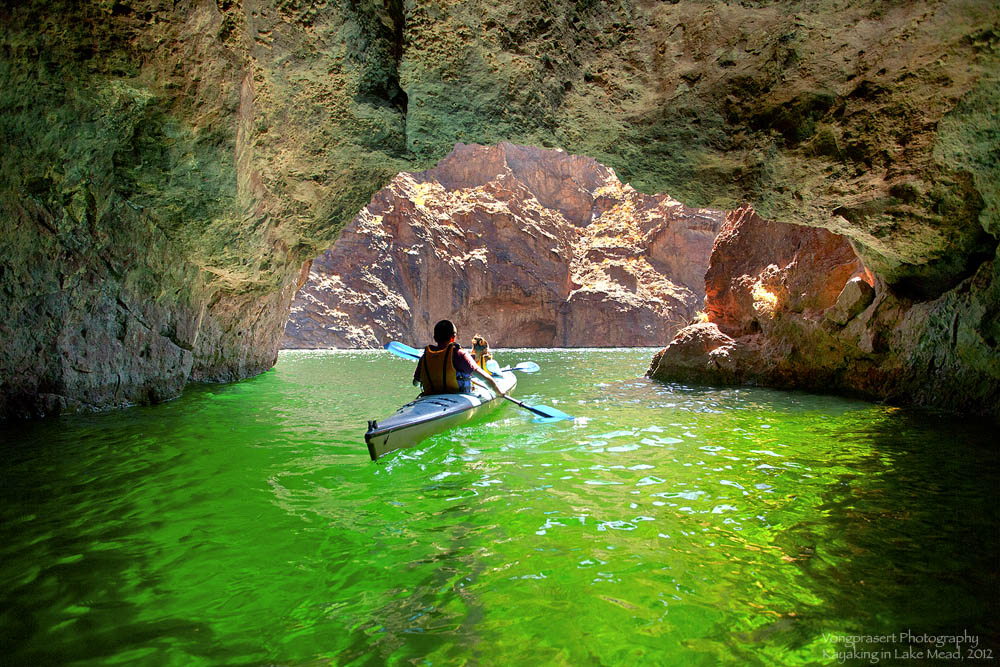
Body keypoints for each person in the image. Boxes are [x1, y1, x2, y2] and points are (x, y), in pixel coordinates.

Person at [414, 320, 505, 397]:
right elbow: (484, 379)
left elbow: (415, 383)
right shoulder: (458, 354)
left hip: (429, 398)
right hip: (456, 397)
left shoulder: (425, 357)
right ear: (453, 338)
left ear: (434, 338)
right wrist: (499, 393)